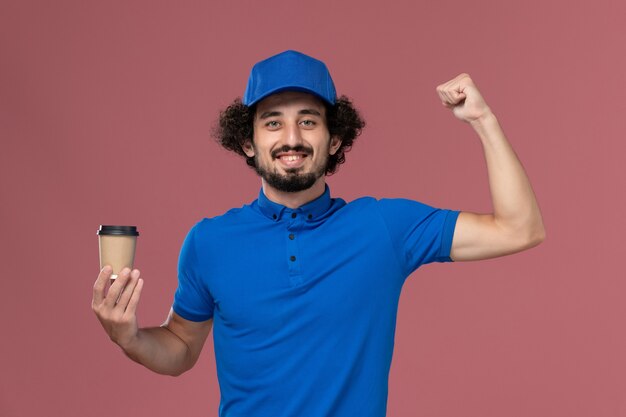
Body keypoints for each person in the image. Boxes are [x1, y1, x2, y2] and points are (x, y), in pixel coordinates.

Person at [92, 50, 545, 416]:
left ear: (334, 140)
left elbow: (519, 229)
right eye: (273, 122)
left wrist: (483, 121)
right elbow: (180, 348)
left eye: (308, 121)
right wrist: (128, 336)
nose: (292, 137)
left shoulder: (384, 227)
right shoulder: (208, 242)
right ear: (248, 142)